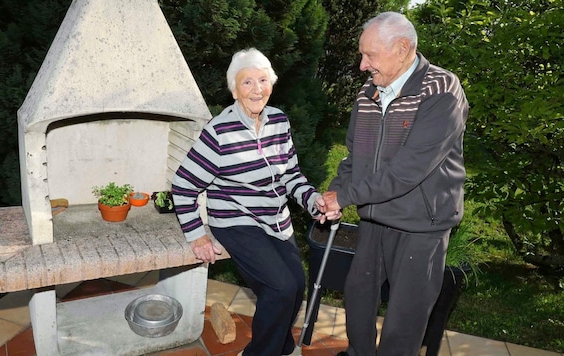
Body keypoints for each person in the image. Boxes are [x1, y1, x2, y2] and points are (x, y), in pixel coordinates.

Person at [171, 48, 340, 356]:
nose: (256, 89)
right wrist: (197, 235)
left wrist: (314, 200)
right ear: (235, 90)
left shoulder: (278, 121)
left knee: (296, 285)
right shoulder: (219, 131)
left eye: (263, 80)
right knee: (280, 287)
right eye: (247, 82)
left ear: (271, 84)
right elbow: (183, 185)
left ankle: (282, 347)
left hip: (275, 219)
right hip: (236, 220)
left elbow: (291, 175)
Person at [322, 12, 469, 356]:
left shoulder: (441, 90)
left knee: (405, 316)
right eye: (362, 55)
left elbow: (408, 170)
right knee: (358, 295)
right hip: (375, 216)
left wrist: (346, 197)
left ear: (403, 48)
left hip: (421, 224)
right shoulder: (367, 93)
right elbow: (353, 156)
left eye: (370, 55)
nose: (362, 65)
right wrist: (332, 193)